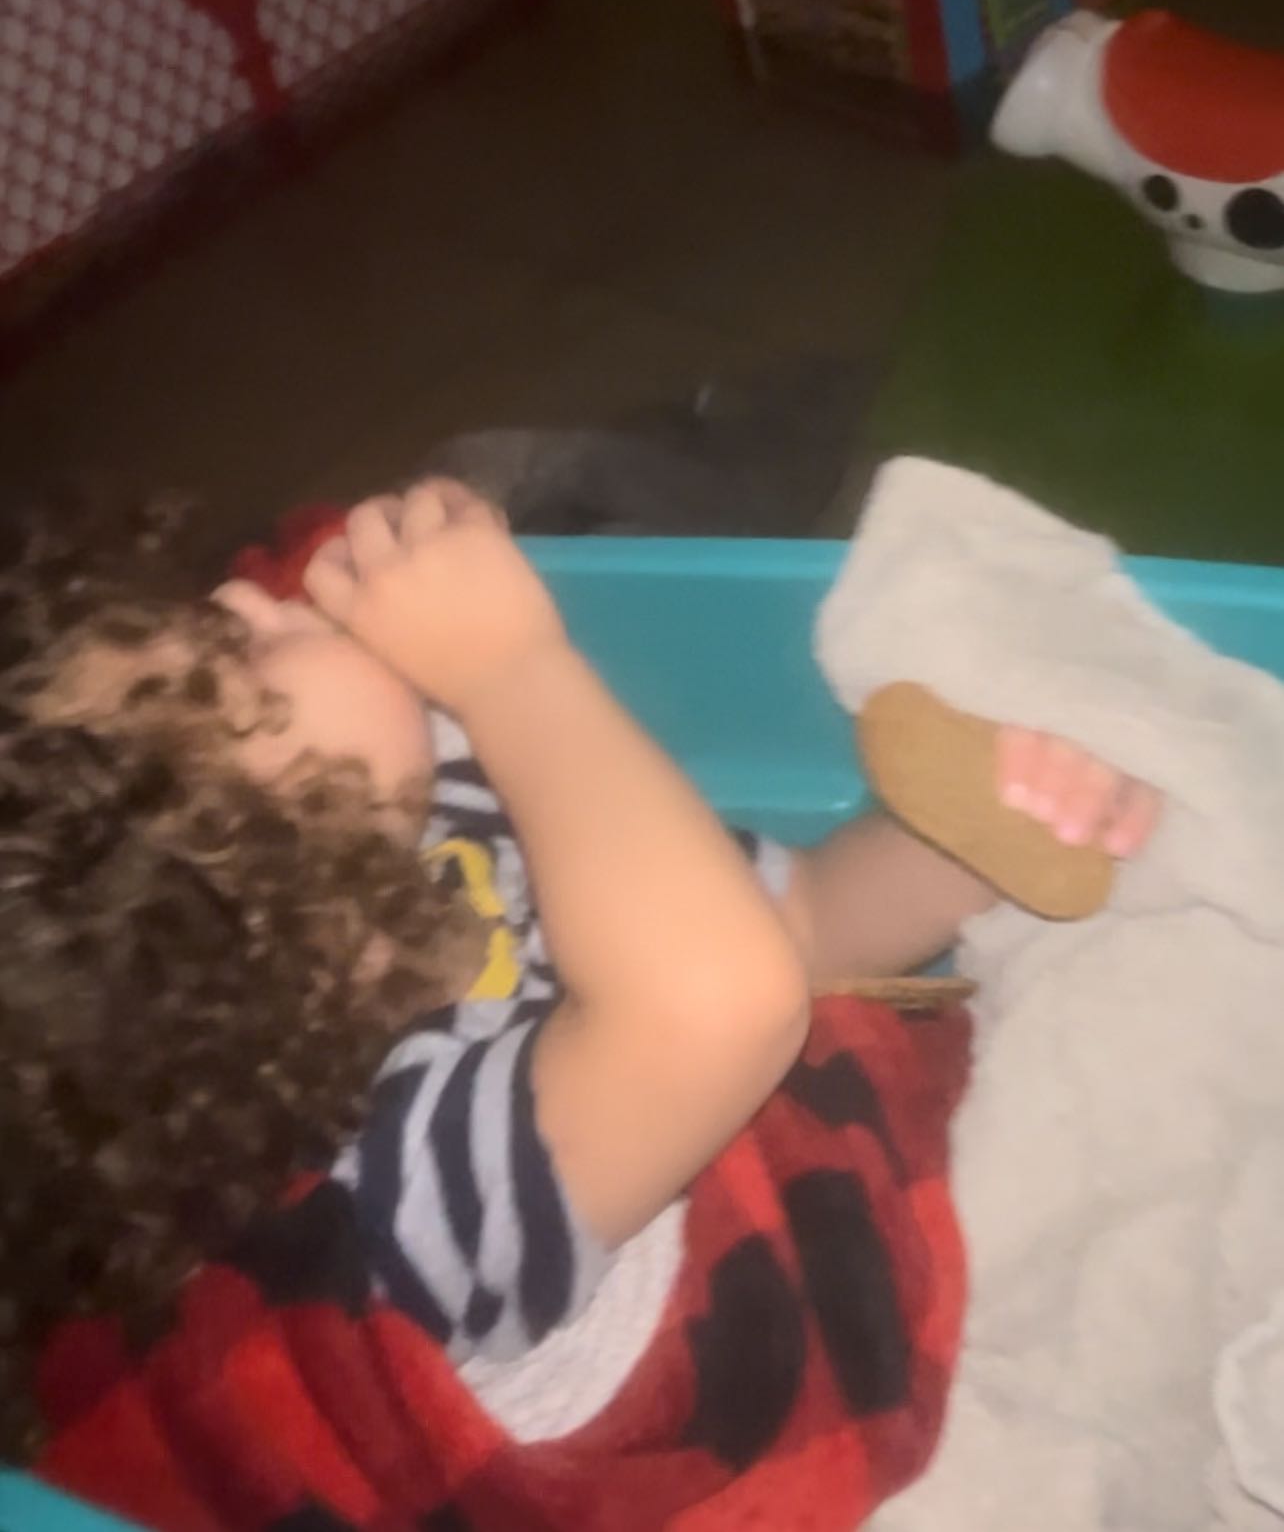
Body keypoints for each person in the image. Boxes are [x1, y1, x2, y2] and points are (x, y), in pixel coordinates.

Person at [0, 482, 1159, 1530]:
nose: (238, 597)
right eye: (232, 664)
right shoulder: (384, 1198)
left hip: (769, 1125)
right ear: (265, 913)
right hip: (765, 1392)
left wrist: (976, 847)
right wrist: (512, 668)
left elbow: (799, 925)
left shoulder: (427, 809)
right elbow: (723, 1002)